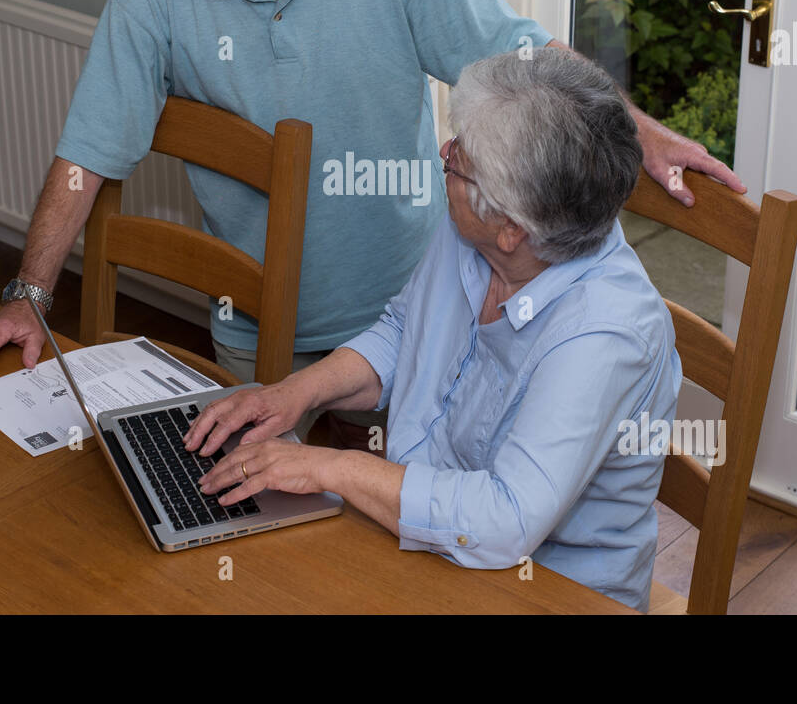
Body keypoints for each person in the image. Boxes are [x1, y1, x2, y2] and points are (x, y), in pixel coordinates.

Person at [0, 0, 735, 425]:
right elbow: (86, 155)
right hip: (257, 332)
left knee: (397, 532)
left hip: (413, 316)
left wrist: (647, 134)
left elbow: (526, 57)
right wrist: (27, 297)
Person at [183, 49, 681, 612]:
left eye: (461, 158)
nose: (446, 154)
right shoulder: (478, 226)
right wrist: (297, 394)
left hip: (545, 589)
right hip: (419, 536)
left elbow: (504, 522)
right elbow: (404, 333)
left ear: (514, 228)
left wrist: (332, 467)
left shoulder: (604, 336)